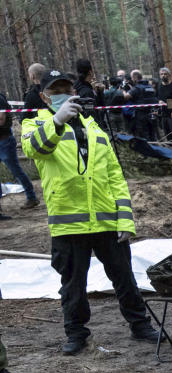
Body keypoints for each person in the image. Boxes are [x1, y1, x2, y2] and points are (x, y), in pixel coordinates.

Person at [21, 67, 160, 355]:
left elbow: (114, 176)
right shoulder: (35, 124)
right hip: (69, 224)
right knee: (73, 285)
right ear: (44, 97)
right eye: (54, 91)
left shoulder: (94, 128)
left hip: (106, 218)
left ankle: (140, 324)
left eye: (66, 90)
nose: (62, 95)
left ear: (74, 92)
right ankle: (76, 333)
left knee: (124, 277)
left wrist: (125, 218)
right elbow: (36, 150)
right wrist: (58, 121)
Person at [0, 89, 39, 211]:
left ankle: (31, 197)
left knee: (16, 171)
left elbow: (1, 119)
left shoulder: (0, 99)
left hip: (5, 141)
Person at [126, 70, 155, 140]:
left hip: (141, 115)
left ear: (135, 77)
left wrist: (122, 91)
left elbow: (126, 96)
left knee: (143, 135)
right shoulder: (150, 87)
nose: (131, 80)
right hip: (151, 114)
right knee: (152, 134)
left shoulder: (137, 88)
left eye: (132, 78)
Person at [155, 67, 172, 140]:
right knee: (167, 135)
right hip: (163, 115)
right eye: (161, 74)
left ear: (169, 75)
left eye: (165, 74)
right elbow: (156, 98)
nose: (163, 76)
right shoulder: (159, 87)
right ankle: (170, 150)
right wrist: (158, 101)